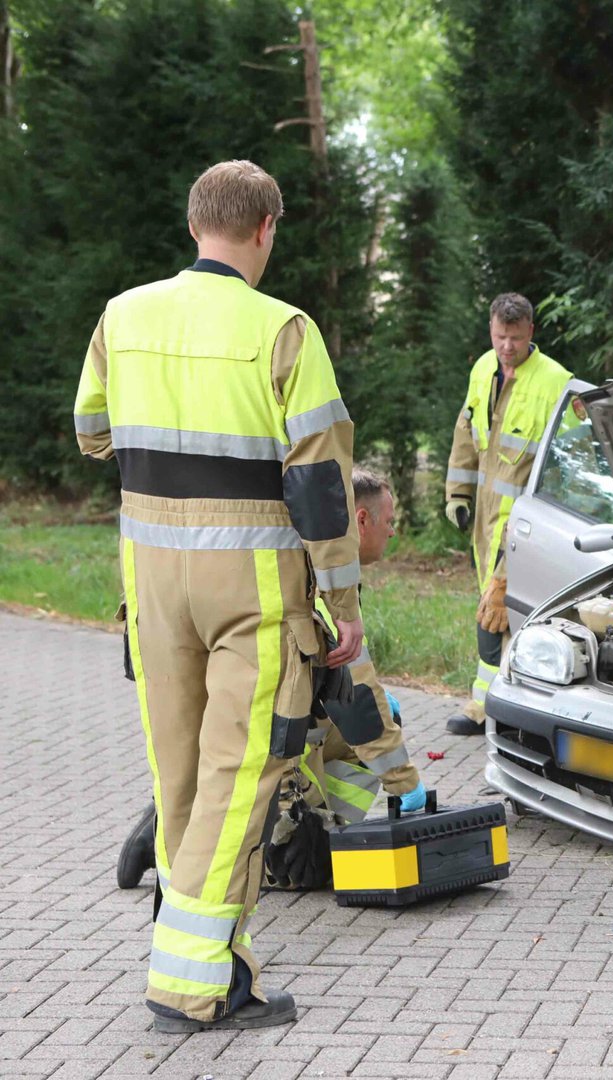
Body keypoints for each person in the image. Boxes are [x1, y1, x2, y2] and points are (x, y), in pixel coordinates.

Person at [72, 161, 360, 1032]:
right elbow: (318, 487)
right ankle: (193, 980)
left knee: (183, 776)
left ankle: (216, 962)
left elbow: (91, 432)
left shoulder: (123, 316)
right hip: (253, 588)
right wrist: (343, 603)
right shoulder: (286, 331)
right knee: (240, 779)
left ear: (195, 222)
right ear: (265, 228)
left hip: (153, 582)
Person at [114, 468, 427, 892]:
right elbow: (358, 704)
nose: (393, 533)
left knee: (368, 724)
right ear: (361, 519)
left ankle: (186, 813)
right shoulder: (320, 580)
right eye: (389, 522)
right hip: (264, 748)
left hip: (229, 735)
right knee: (306, 870)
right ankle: (228, 829)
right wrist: (406, 785)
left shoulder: (268, 549)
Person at [443, 293, 572, 735]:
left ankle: (515, 715)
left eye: (515, 338)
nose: (506, 347)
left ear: (531, 333)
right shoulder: (483, 368)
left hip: (529, 524)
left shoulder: (556, 383)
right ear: (491, 330)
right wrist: (456, 494)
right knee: (490, 611)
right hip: (486, 519)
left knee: (517, 614)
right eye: (500, 337)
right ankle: (487, 705)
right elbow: (466, 431)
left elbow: (568, 465)